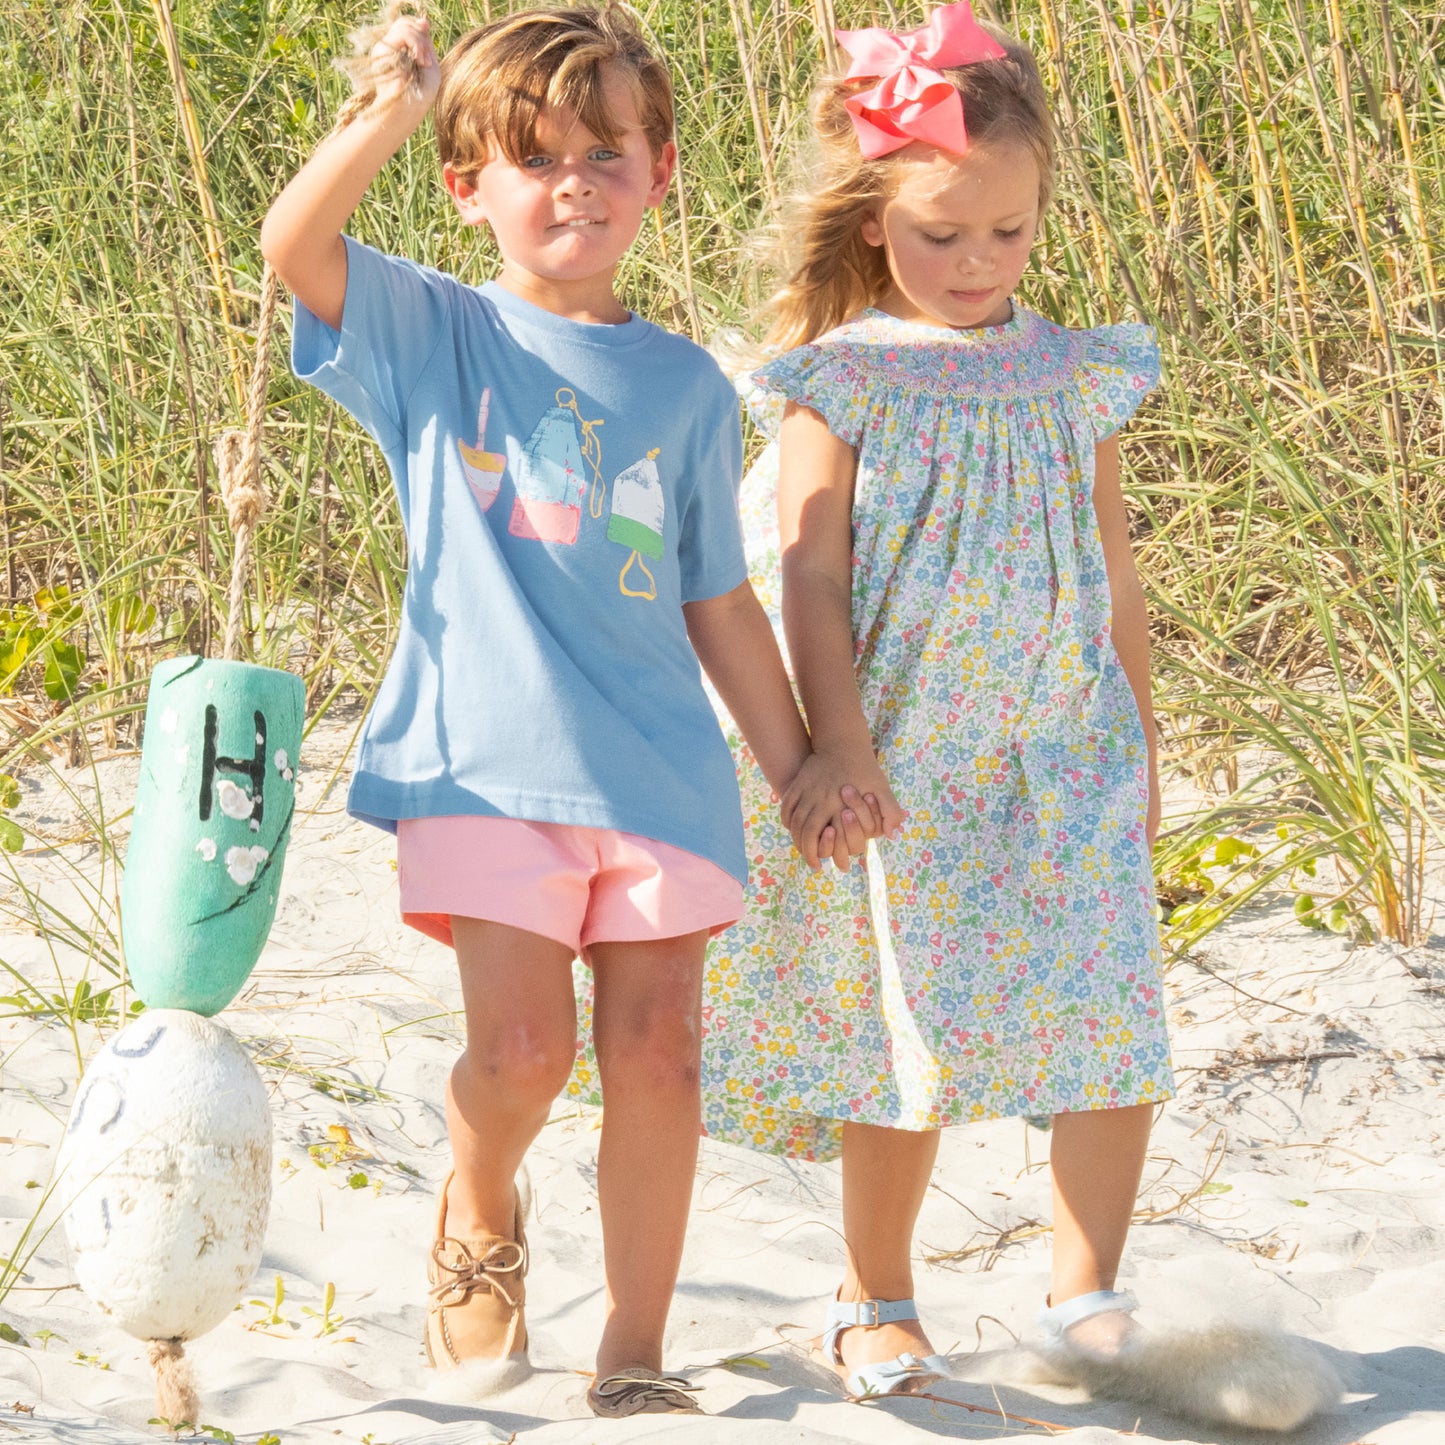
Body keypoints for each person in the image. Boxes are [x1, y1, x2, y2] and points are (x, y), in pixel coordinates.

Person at [260, 3, 882, 1417]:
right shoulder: (437, 330)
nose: (573, 182)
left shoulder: (680, 385)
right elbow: (291, 249)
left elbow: (715, 597)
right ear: (469, 187)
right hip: (481, 757)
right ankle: (478, 1214)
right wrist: (389, 112)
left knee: (659, 1050)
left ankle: (635, 1343)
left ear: (660, 173)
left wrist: (795, 763)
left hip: (658, 770)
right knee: (523, 1052)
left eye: (606, 151)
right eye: (533, 157)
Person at [700, 0, 1174, 1400]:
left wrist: (1141, 741)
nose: (977, 263)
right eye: (938, 235)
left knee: (1109, 1011)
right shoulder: (837, 384)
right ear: (869, 227)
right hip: (906, 761)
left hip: (1061, 747)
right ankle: (873, 1291)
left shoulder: (1070, 371)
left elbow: (1113, 577)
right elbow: (810, 584)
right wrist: (835, 742)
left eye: (1007, 233)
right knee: (901, 1030)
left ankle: (1083, 1288)